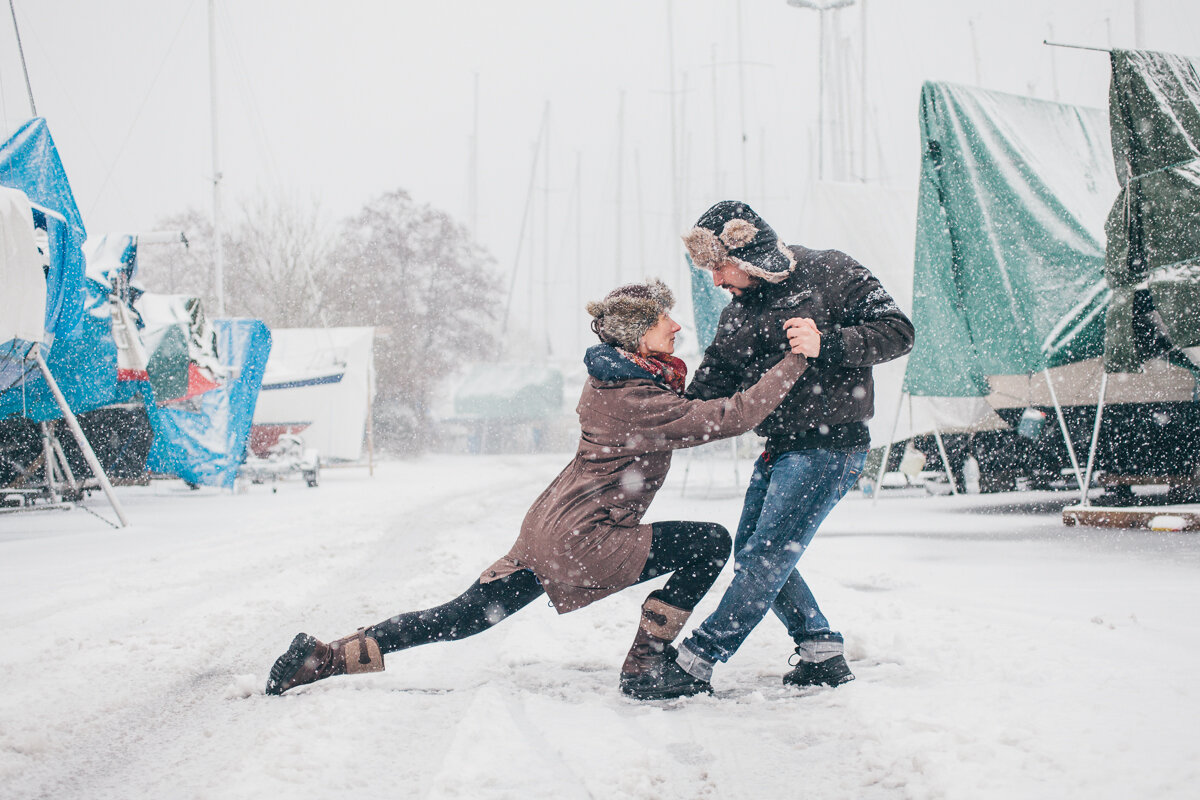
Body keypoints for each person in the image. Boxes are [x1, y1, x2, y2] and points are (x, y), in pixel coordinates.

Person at [266, 278, 812, 701]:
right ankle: (645, 664)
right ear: (635, 333)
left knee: (463, 617)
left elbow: (691, 407)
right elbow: (730, 416)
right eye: (663, 318)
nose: (676, 326)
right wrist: (795, 360)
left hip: (549, 529)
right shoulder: (634, 395)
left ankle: (325, 657)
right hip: (585, 538)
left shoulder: (619, 379)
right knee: (711, 542)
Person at [661, 200, 914, 693]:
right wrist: (657, 411)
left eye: (718, 266)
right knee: (755, 555)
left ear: (748, 251)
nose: (715, 281)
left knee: (766, 557)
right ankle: (820, 651)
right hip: (779, 447)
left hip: (831, 447)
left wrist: (831, 344)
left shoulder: (833, 271)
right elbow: (711, 385)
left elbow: (899, 332)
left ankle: (696, 661)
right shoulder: (737, 315)